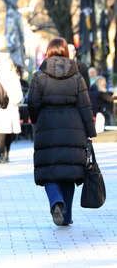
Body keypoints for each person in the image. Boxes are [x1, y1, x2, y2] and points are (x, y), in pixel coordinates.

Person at [28, 38, 96, 226]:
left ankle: (56, 201)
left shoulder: (39, 77)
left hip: (47, 128)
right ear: (66, 51)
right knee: (69, 172)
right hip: (73, 129)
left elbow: (32, 103)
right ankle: (66, 216)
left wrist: (36, 120)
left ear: (48, 52)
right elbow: (85, 105)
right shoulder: (77, 77)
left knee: (49, 172)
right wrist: (90, 131)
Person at [0, 53, 23, 164]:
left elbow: (19, 94)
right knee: (1, 133)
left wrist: (14, 101)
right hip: (0, 108)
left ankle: (7, 152)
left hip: (11, 108)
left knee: (10, 133)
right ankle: (1, 155)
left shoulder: (14, 78)